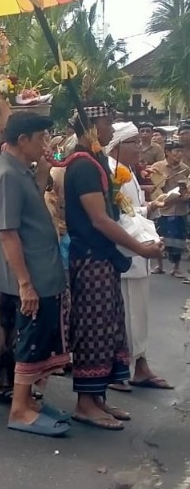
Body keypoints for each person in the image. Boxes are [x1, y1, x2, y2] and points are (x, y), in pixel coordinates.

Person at [63, 104, 164, 430]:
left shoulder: (95, 163)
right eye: (106, 122)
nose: (110, 128)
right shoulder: (83, 166)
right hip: (91, 258)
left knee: (108, 330)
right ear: (92, 126)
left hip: (103, 258)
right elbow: (99, 219)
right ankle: (85, 403)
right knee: (93, 332)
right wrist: (139, 248)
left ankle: (98, 398)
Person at [0, 114, 72, 438]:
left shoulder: (19, 169)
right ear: (22, 140)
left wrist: (44, 166)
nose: (45, 143)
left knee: (39, 339)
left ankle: (28, 404)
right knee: (31, 338)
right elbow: (8, 232)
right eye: (40, 137)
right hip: (31, 274)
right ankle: (20, 409)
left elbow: (32, 198)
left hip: (41, 270)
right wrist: (25, 283)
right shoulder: (7, 173)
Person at [108, 123, 174, 392]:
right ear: (117, 146)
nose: (139, 146)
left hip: (140, 250)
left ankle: (140, 366)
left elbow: (132, 210)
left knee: (138, 313)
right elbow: (118, 217)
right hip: (128, 251)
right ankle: (121, 369)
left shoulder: (128, 172)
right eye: (133, 142)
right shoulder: (113, 171)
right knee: (125, 314)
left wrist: (154, 205)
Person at [148, 141, 188, 276]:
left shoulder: (185, 169)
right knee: (159, 238)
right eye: (176, 151)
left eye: (181, 151)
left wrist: (185, 195)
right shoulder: (157, 167)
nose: (179, 154)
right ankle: (159, 266)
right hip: (162, 208)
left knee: (179, 240)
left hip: (180, 208)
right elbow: (152, 185)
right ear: (167, 153)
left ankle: (176, 268)